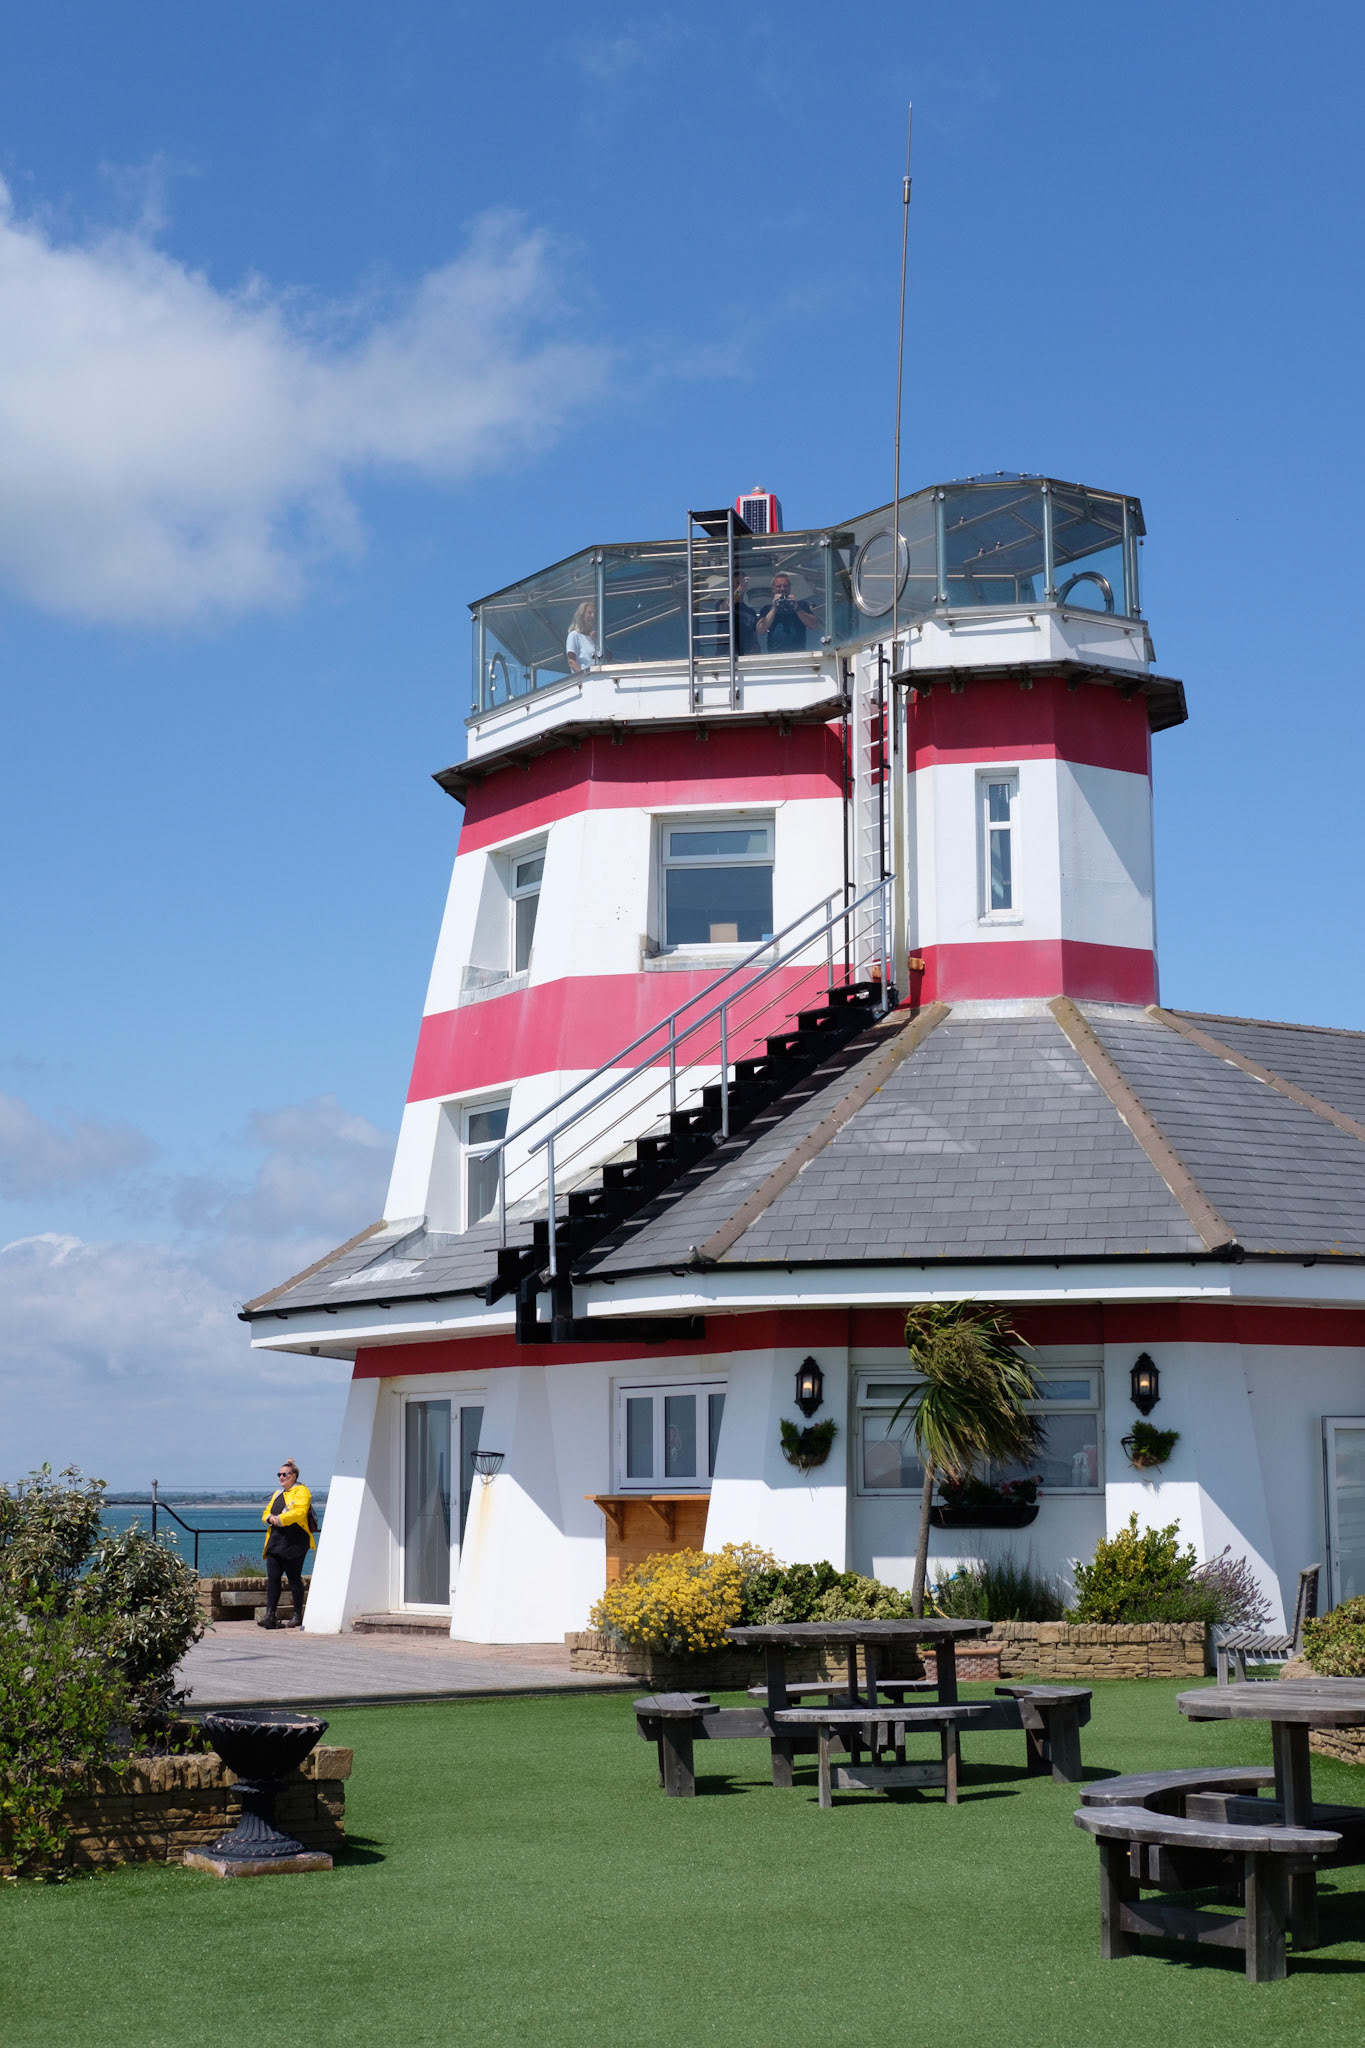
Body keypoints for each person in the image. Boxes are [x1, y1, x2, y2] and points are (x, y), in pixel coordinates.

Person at [258, 1458, 316, 1630]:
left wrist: (281, 1519)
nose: (281, 1477)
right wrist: (270, 1518)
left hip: (294, 1542)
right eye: (279, 1474)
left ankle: (297, 1614)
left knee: (294, 1579)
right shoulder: (277, 1494)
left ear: (294, 1476)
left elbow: (299, 1512)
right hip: (275, 1542)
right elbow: (266, 1513)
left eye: (285, 1474)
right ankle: (270, 1615)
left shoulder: (302, 1491)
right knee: (273, 1579)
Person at [756, 572, 819, 652]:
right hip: (775, 656)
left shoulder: (801, 605)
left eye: (785, 586)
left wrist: (797, 608)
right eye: (779, 586)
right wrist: (773, 609)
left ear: (789, 588)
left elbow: (814, 625)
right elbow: (760, 630)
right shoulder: (767, 609)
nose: (782, 589)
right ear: (773, 589)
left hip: (799, 655)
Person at [565, 600, 598, 673]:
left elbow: (608, 658)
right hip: (585, 681)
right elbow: (571, 661)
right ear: (581, 615)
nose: (593, 616)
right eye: (589, 613)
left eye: (594, 614)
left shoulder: (593, 640)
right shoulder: (574, 635)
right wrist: (583, 677)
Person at [733, 571, 759, 655]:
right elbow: (727, 606)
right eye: (737, 583)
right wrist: (739, 589)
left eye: (742, 583)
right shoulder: (723, 604)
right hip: (727, 654)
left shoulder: (751, 612)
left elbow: (754, 636)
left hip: (747, 654)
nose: (740, 586)